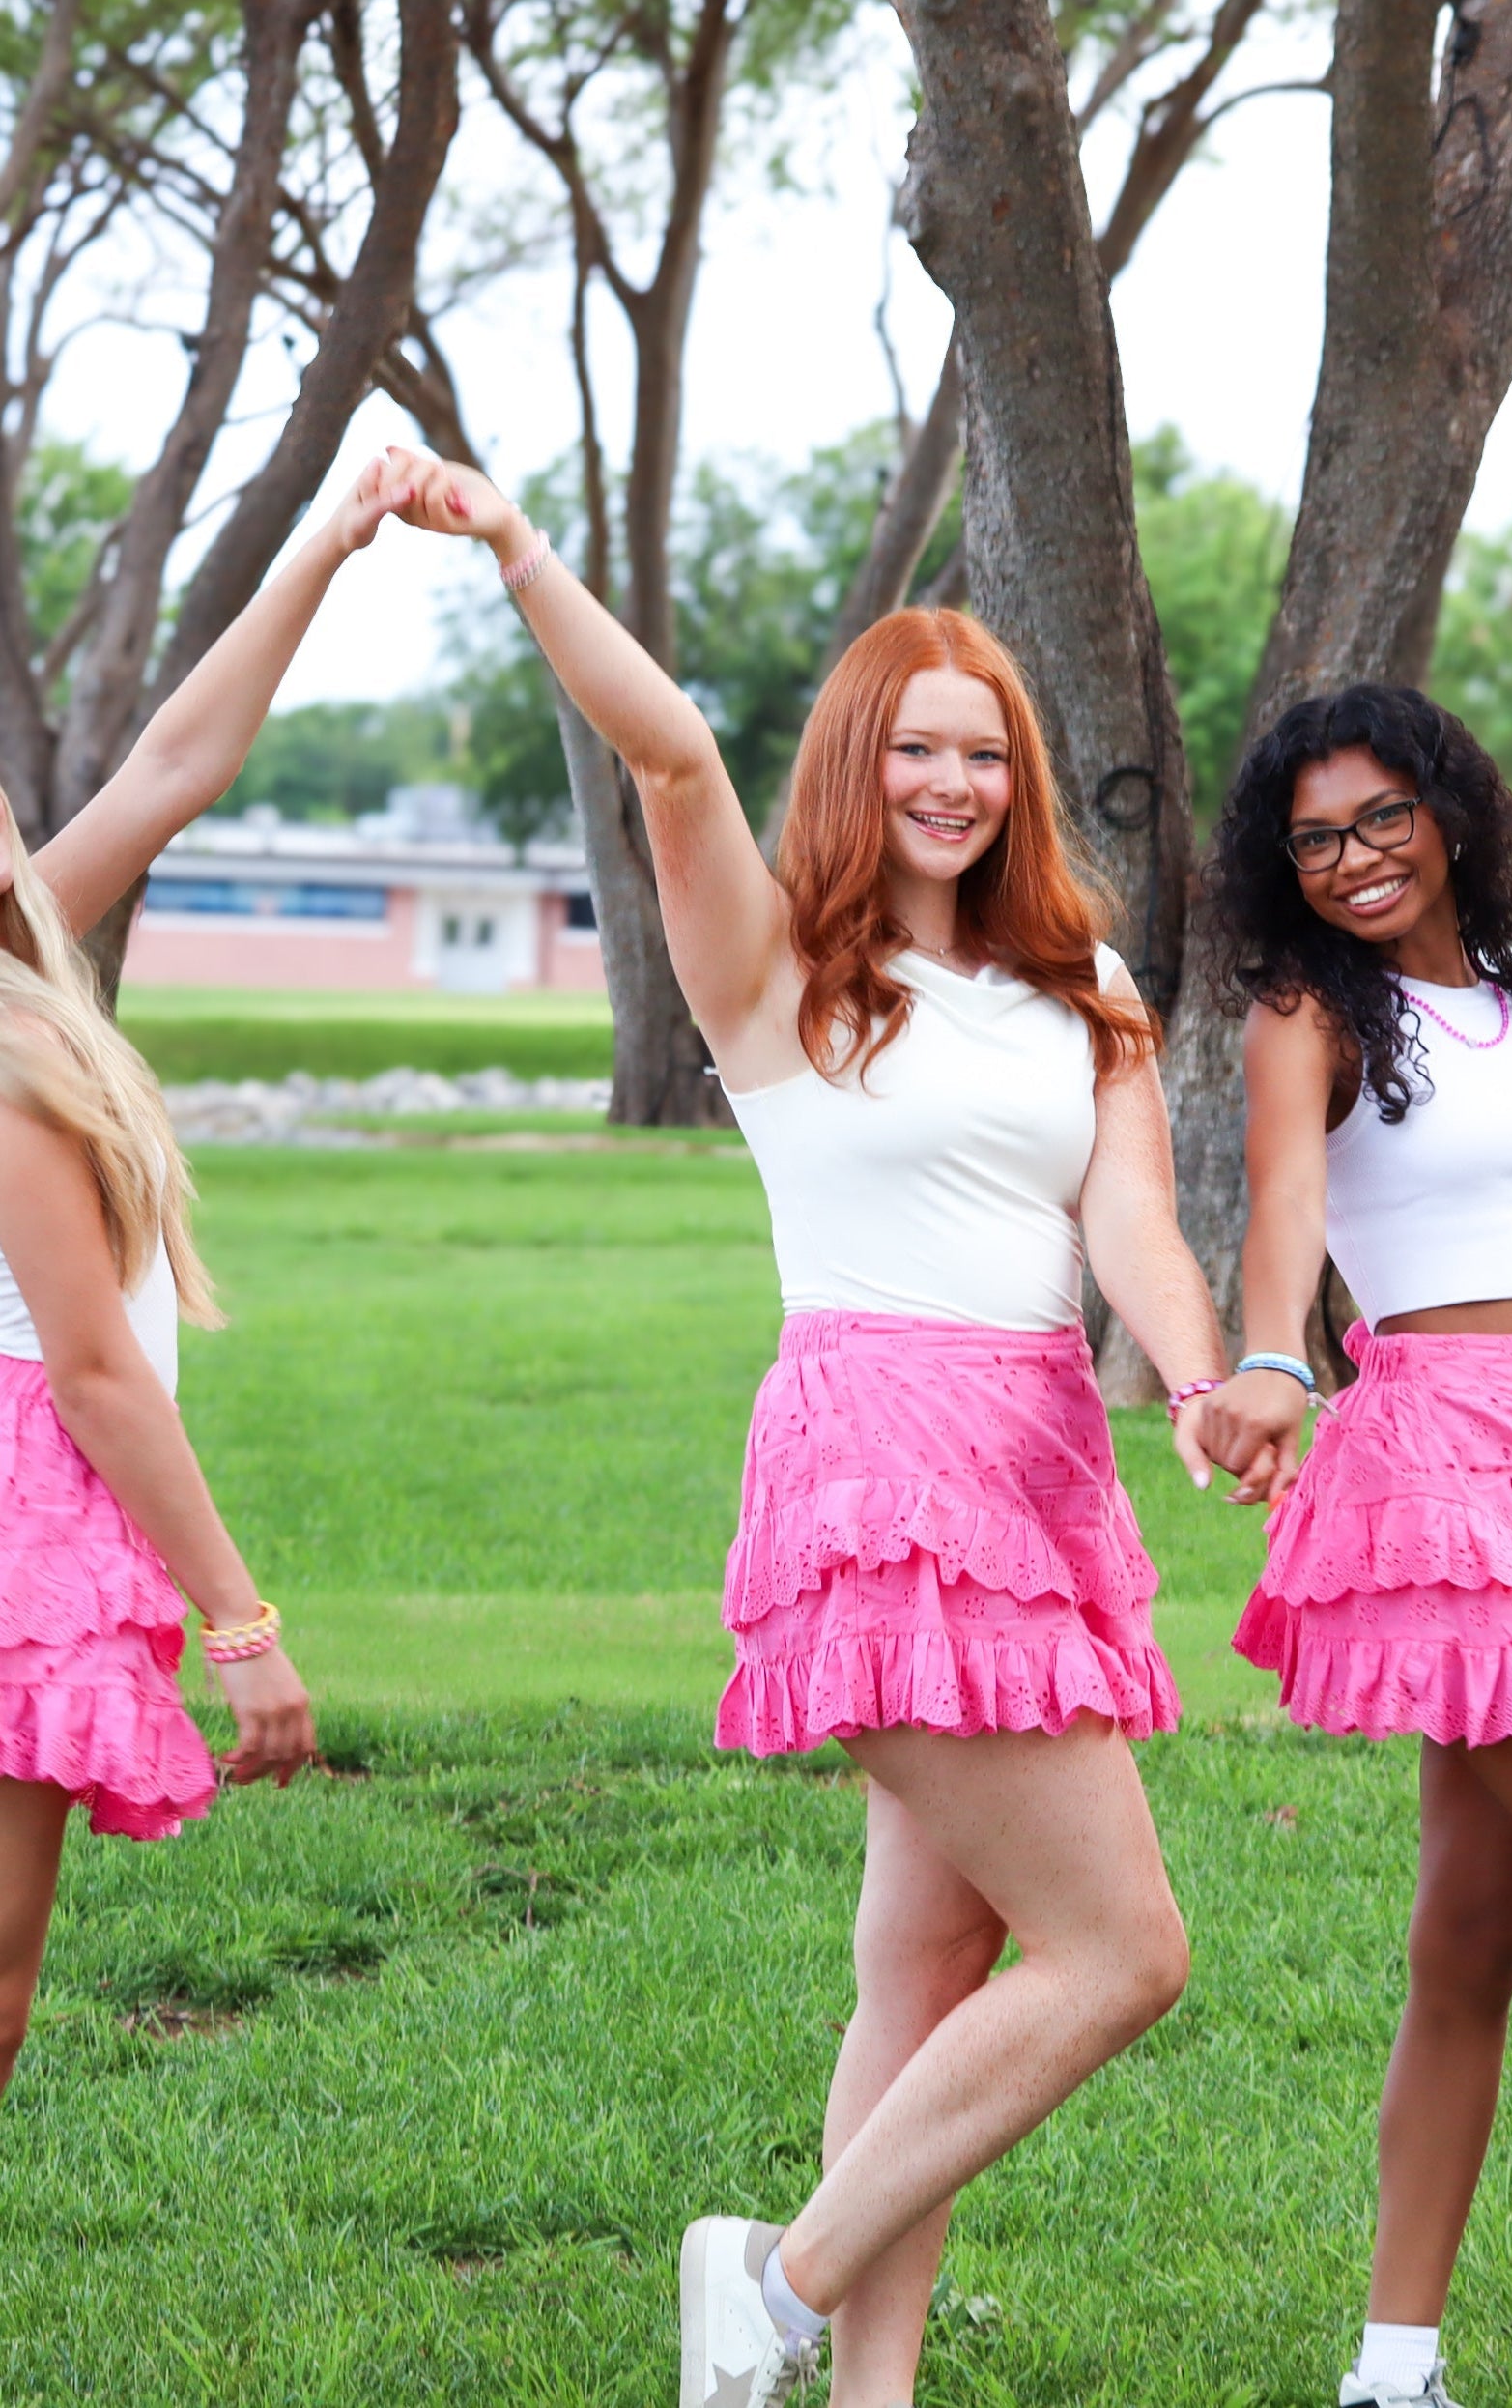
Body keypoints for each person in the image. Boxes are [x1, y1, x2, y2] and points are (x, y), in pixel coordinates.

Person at [389, 448, 1228, 2408]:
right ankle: (774, 2284)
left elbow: (1122, 1220)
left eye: (988, 753)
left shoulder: (1076, 983)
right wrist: (518, 549)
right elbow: (675, 757)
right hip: (879, 1466)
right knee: (1123, 1952)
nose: (955, 782)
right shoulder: (774, 969)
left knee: (922, 1970)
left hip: (1038, 1472)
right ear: (860, 760)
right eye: (918, 748)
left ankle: (860, 2392)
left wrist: (1195, 1381)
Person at [1197, 684, 1512, 2408]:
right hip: (1433, 1480)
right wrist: (1263, 1361)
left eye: (1382, 817)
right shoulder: (1309, 1012)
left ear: (1449, 809)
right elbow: (1284, 1227)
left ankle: (1392, 2370)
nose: (1354, 858)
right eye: (1316, 836)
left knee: (1470, 1936)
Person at [0, 454, 414, 2093]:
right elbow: (94, 1372)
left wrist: (320, 548)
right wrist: (243, 1623)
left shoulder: (27, 956)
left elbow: (178, 759)